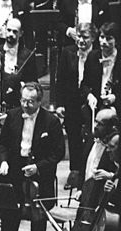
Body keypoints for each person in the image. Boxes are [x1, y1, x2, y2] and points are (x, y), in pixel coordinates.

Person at [41, 109, 118, 231]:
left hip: (103, 203)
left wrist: (112, 176)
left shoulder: (116, 143)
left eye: (100, 123)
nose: (96, 126)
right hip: (87, 199)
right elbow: (88, 168)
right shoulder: (92, 140)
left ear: (111, 126)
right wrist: (83, 189)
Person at [0, 82, 65, 231]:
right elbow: (3, 144)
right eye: (23, 100)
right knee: (9, 212)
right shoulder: (13, 116)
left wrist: (38, 167)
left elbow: (58, 153)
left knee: (37, 216)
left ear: (40, 101)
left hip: (39, 172)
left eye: (30, 102)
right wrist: (4, 161)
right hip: (15, 168)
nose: (25, 105)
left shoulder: (51, 121)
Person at [56, 22, 96, 174]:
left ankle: (88, 172)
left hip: (90, 103)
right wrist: (59, 104)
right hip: (71, 102)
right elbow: (60, 80)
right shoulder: (67, 52)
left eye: (85, 37)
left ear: (93, 38)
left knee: (91, 138)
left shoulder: (97, 55)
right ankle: (74, 171)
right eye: (78, 36)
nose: (81, 40)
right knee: (73, 137)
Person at [81, 22, 121, 116]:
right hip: (96, 106)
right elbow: (84, 84)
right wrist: (89, 95)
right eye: (102, 37)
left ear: (117, 40)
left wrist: (115, 97)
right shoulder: (93, 56)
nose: (104, 42)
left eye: (109, 38)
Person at [0, 17, 37, 83]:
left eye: (15, 31)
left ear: (21, 33)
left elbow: (33, 81)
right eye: (8, 30)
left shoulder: (28, 55)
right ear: (5, 30)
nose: (11, 34)